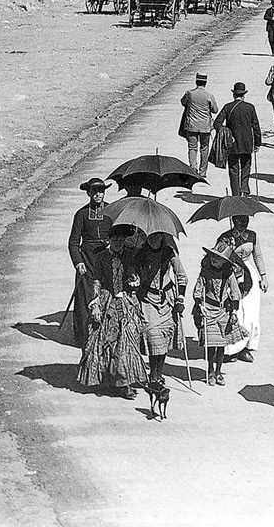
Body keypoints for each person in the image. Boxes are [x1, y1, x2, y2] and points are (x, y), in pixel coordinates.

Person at [77, 225, 148, 399]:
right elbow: (96, 280)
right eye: (115, 239)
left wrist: (134, 280)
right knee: (103, 339)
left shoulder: (130, 255)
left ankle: (126, 383)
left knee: (128, 340)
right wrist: (95, 303)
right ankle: (106, 380)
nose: (118, 242)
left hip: (125, 301)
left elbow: (135, 276)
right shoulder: (101, 257)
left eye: (121, 239)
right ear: (109, 240)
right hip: (107, 298)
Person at [136, 233, 187, 417]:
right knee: (152, 334)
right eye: (150, 237)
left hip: (166, 299)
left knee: (164, 336)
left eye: (157, 237)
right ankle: (153, 375)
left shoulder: (169, 252)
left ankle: (158, 373)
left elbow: (182, 276)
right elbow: (133, 271)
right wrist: (135, 279)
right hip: (148, 299)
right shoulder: (140, 253)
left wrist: (181, 297)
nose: (153, 240)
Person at [66, 178, 112, 349]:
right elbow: (73, 243)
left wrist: (111, 244)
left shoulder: (111, 211)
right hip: (86, 260)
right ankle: (84, 338)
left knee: (107, 296)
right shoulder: (81, 214)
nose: (98, 194)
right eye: (95, 191)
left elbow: (118, 235)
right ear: (89, 193)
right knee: (85, 298)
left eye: (101, 191)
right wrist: (78, 262)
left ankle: (105, 335)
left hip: (106, 260)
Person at [217, 216, 269, 362]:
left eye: (245, 222)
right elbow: (216, 257)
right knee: (235, 312)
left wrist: (263, 276)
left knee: (251, 312)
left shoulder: (252, 235)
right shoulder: (225, 237)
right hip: (231, 275)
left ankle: (246, 347)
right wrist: (229, 248)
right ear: (234, 221)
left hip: (249, 275)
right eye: (239, 222)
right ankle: (231, 349)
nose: (243, 225)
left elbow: (258, 256)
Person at [193, 244, 246, 386]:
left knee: (221, 345)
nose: (214, 259)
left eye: (218, 258)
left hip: (224, 312)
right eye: (213, 256)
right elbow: (197, 291)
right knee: (211, 344)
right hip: (208, 310)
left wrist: (234, 311)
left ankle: (218, 372)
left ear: (225, 261)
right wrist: (200, 305)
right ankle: (210, 371)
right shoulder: (205, 272)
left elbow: (236, 294)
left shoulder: (228, 274)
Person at [213, 82, 262, 196]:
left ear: (233, 95)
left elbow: (217, 124)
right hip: (247, 143)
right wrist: (258, 143)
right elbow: (256, 127)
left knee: (233, 169)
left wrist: (226, 132)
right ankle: (244, 190)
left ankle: (235, 193)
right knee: (246, 167)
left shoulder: (228, 107)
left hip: (232, 144)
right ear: (244, 95)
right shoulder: (250, 107)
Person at [178, 73, 219, 176]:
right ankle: (203, 171)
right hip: (205, 126)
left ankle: (193, 169)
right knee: (204, 148)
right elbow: (215, 110)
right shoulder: (209, 95)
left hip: (191, 125)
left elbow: (183, 102)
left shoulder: (189, 93)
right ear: (205, 82)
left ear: (196, 81)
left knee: (192, 148)